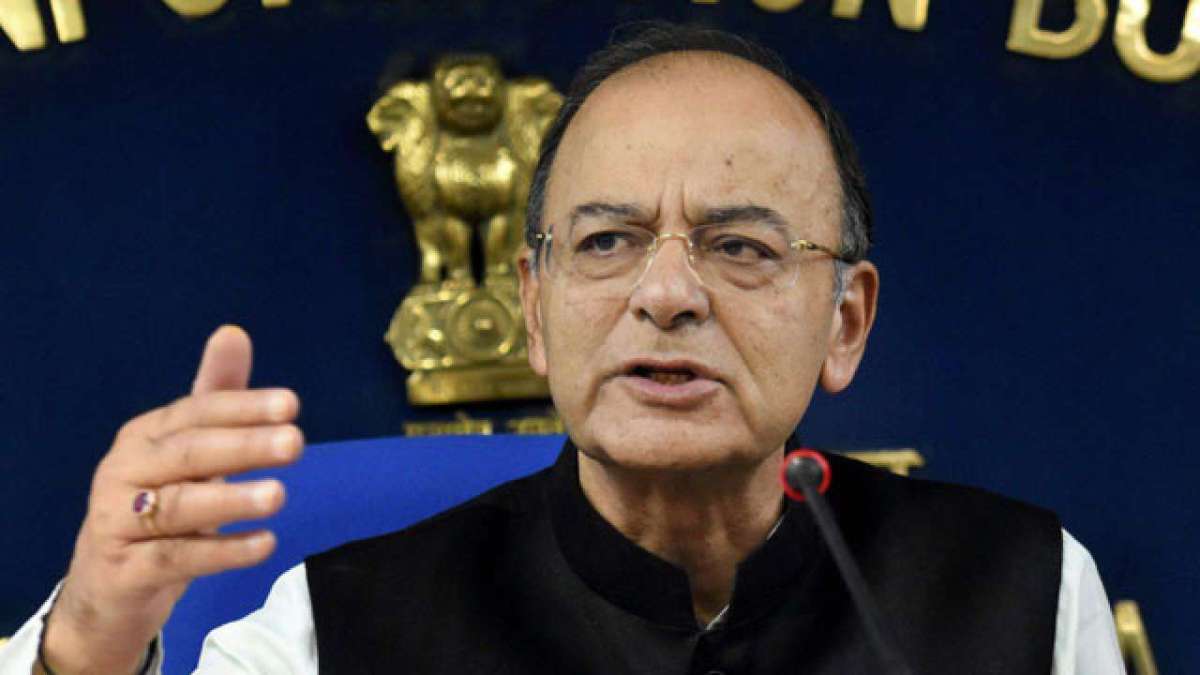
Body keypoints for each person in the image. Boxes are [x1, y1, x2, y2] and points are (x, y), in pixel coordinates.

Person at [2, 22, 1124, 674]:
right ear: (535, 310)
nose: (666, 294)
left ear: (846, 322)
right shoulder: (334, 629)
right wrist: (88, 643)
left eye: (740, 246)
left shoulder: (1019, 593)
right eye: (607, 241)